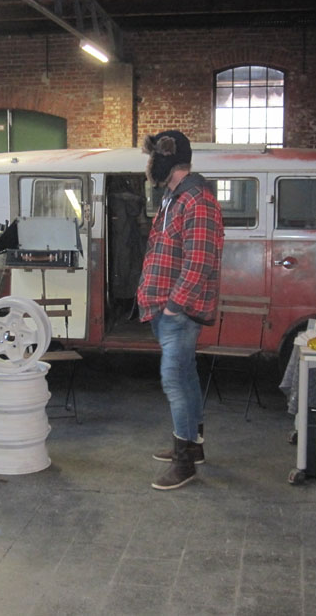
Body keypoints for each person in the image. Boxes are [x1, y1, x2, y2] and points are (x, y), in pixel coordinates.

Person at [137, 130, 224, 490]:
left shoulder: (197, 200)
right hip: (165, 307)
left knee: (173, 380)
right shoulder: (173, 198)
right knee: (186, 376)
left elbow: (200, 261)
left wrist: (174, 305)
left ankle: (184, 461)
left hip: (179, 312)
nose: (150, 164)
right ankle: (192, 445)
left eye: (153, 157)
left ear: (168, 159)